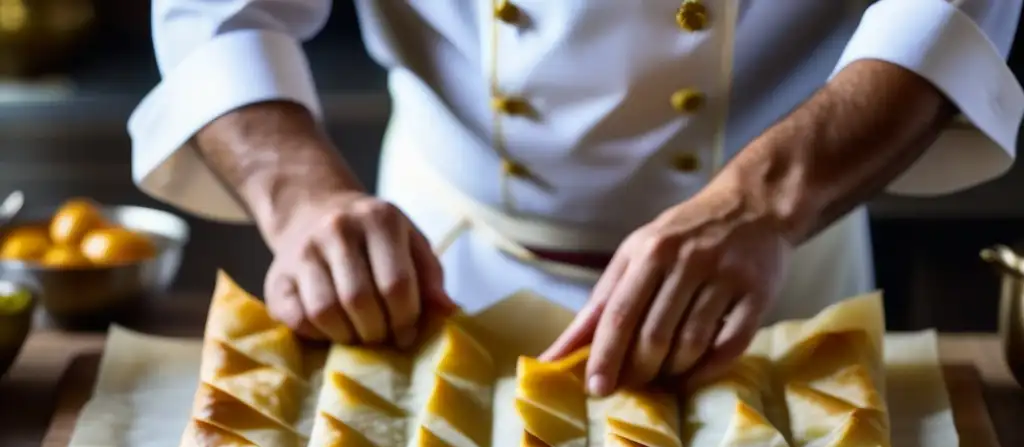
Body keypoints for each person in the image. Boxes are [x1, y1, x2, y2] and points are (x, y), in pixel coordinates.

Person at [129, 0, 1023, 395]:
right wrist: (300, 200)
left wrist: (761, 204)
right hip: (437, 270)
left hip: (777, 269)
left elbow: (946, 8)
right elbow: (223, 9)